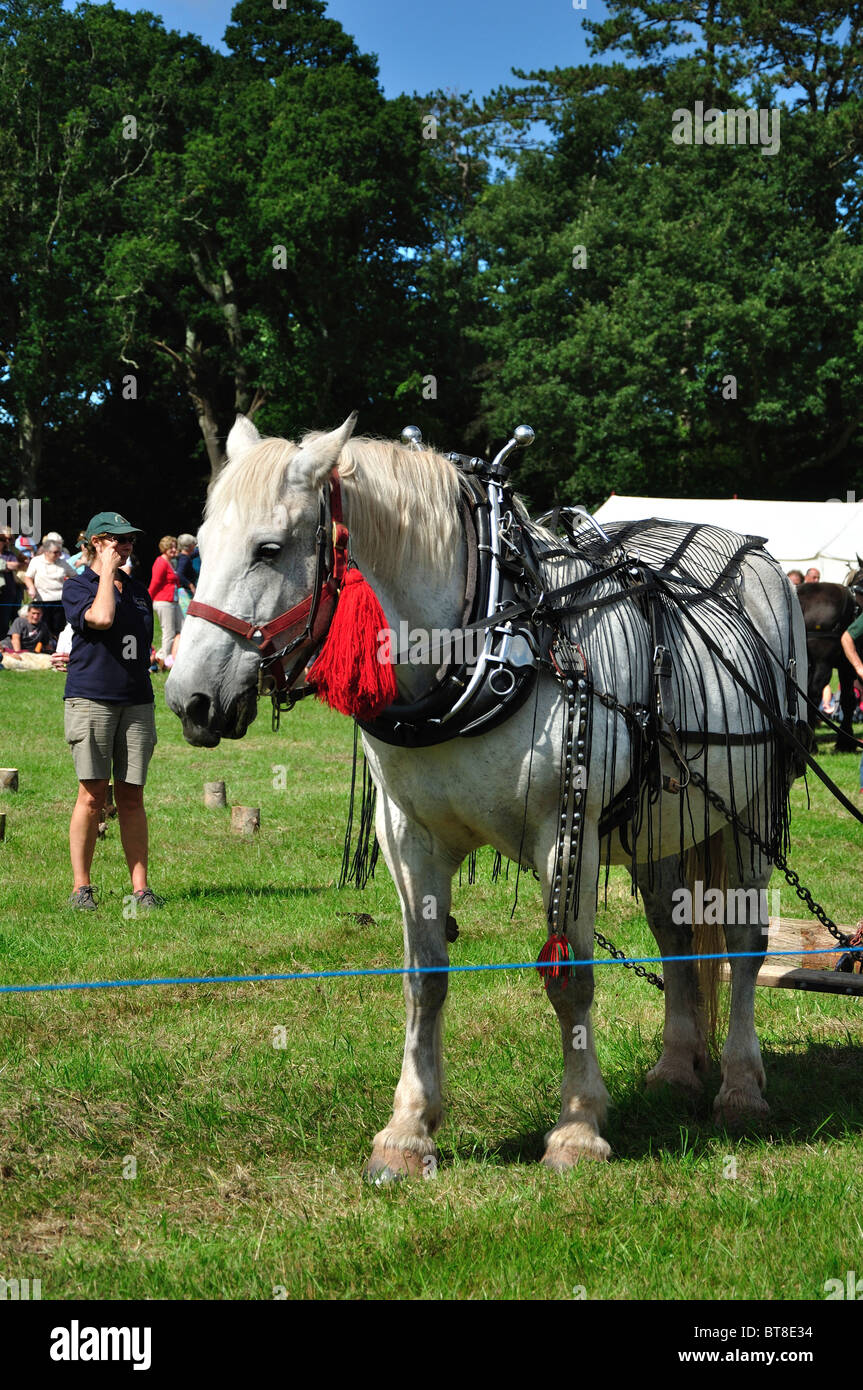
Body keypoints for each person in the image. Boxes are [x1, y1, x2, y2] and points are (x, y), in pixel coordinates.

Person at [62, 511, 163, 911]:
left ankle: (141, 889)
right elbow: (101, 618)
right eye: (117, 540)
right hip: (91, 700)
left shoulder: (139, 590)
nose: (126, 546)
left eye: (129, 541)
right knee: (91, 794)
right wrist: (105, 569)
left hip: (137, 702)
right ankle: (81, 888)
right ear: (96, 542)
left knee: (132, 796)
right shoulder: (77, 586)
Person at [24, 538, 77, 637]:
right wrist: (31, 587)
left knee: (58, 627)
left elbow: (74, 576)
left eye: (60, 552)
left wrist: (71, 590)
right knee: (42, 627)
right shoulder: (36, 561)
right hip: (41, 600)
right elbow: (28, 577)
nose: (59, 554)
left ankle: (56, 648)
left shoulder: (62, 563)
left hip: (59, 600)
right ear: (47, 552)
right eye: (55, 552)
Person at [148, 535, 182, 658]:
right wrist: (147, 599)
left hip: (174, 601)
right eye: (171, 547)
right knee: (169, 632)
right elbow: (155, 583)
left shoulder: (171, 562)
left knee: (181, 629)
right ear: (164, 548)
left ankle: (174, 656)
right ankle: (162, 658)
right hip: (164, 602)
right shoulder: (160, 562)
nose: (174, 549)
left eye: (175, 547)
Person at [1, 599, 55, 669]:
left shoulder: (43, 626)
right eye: (33, 613)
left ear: (42, 614)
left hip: (26, 653)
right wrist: (18, 654)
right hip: (8, 648)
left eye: (38, 614)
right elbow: (15, 639)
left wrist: (53, 654)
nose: (35, 616)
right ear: (28, 612)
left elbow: (47, 645)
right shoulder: (20, 621)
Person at [0, 528, 26, 632]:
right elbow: (12, 565)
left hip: (12, 588)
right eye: (3, 539)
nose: (7, 541)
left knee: (9, 617)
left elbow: (18, 564)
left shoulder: (12, 552)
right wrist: (5, 565)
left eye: (9, 539)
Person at [175, 534, 197, 618]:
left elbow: (195, 553)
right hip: (185, 593)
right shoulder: (185, 559)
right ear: (189, 546)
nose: (195, 546)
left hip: (182, 591)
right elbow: (179, 574)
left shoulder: (183, 556)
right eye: (193, 544)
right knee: (187, 617)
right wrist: (190, 585)